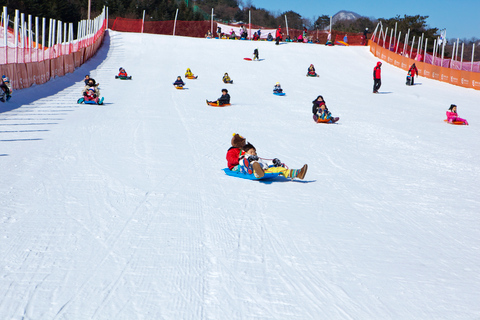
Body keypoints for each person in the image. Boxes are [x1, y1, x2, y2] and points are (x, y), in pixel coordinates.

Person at [238, 142, 308, 180]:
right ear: (246, 153)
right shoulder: (244, 158)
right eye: (251, 152)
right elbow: (241, 163)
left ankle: (298, 173)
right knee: (255, 164)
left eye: (254, 152)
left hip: (265, 169)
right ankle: (258, 172)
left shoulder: (258, 159)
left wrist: (273, 162)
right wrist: (248, 159)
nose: (253, 153)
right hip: (253, 170)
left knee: (280, 169)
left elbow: (265, 164)